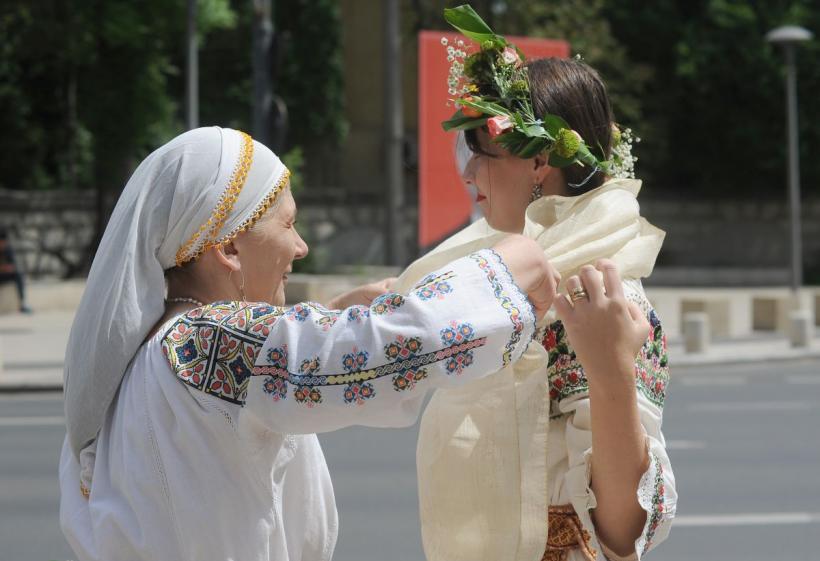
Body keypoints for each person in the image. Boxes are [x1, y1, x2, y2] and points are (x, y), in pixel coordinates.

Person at [58, 126, 565, 561]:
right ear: (229, 247)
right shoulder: (207, 342)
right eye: (288, 224)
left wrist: (335, 310)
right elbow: (392, 350)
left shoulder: (153, 349)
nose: (300, 246)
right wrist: (509, 266)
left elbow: (271, 369)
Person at [391, 6, 676, 561]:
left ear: (540, 161)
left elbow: (624, 530)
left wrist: (610, 368)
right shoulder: (501, 278)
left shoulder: (593, 295)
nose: (468, 173)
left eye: (481, 153)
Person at [0, 226, 32, 313]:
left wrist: (7, 268)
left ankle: (23, 303)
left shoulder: (8, 249)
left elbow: (12, 265)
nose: (2, 244)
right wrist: (3, 267)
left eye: (3, 242)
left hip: (4, 275)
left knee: (18, 275)